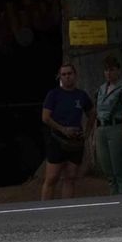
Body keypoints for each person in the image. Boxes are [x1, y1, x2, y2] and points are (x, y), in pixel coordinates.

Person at [41, 62, 94, 199]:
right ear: (60, 77)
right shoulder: (53, 94)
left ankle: (67, 210)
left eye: (69, 73)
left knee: (70, 177)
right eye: (64, 74)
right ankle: (43, 211)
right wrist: (63, 130)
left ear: (75, 75)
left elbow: (92, 114)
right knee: (52, 178)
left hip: (75, 142)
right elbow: (45, 118)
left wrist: (87, 132)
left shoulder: (81, 95)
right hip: (57, 139)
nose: (67, 77)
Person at [93, 56, 122, 194]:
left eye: (111, 70)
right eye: (106, 70)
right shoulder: (102, 88)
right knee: (107, 169)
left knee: (119, 168)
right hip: (101, 127)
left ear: (118, 71)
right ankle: (113, 197)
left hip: (116, 126)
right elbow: (96, 111)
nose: (108, 73)